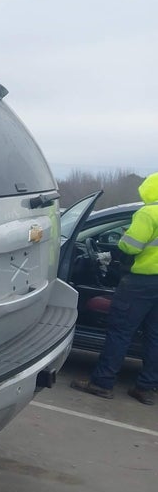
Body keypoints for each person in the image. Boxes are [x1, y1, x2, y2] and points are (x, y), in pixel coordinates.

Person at [71, 172, 158, 405]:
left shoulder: (148, 213)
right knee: (154, 337)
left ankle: (102, 382)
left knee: (120, 332)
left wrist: (116, 248)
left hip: (140, 283)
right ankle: (146, 388)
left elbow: (129, 247)